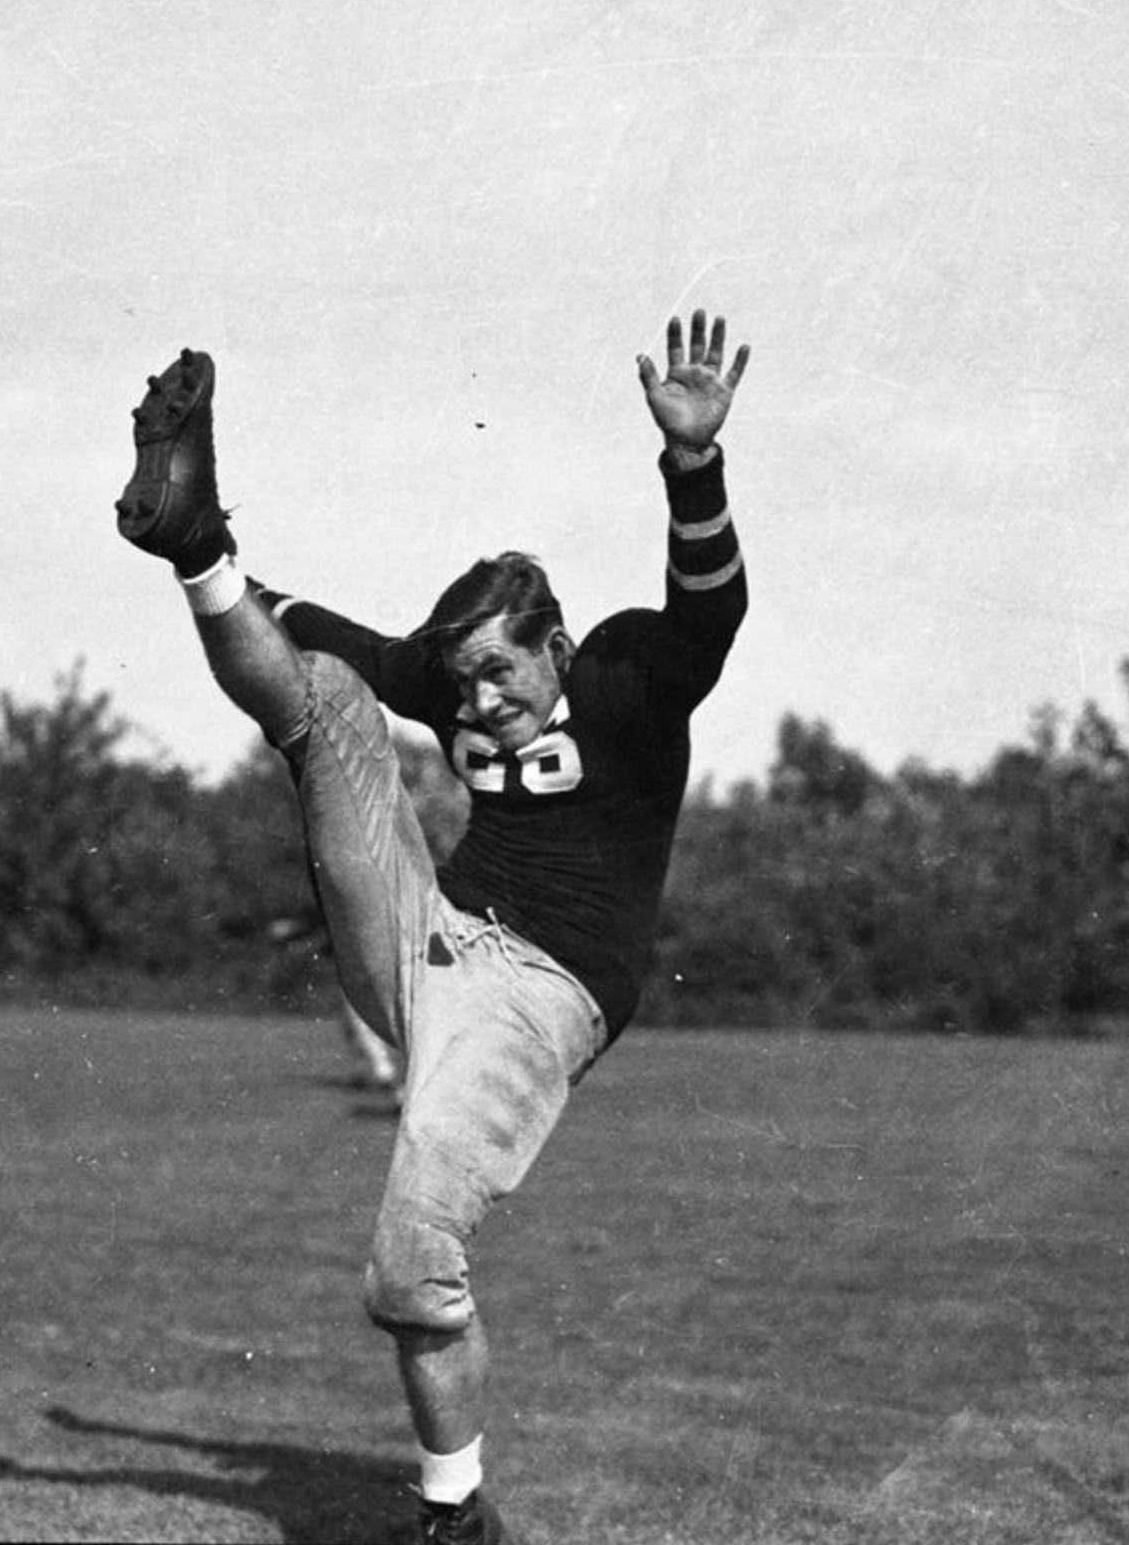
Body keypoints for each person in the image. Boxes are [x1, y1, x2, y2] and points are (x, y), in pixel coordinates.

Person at [115, 309, 750, 1545]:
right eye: (462, 682)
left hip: (540, 993)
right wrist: (226, 573)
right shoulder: (456, 681)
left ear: (558, 649)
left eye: (502, 674)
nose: (480, 700)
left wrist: (693, 464)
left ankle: (457, 1515)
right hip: (429, 932)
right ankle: (197, 541)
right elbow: (325, 636)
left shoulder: (624, 678)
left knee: (410, 1266)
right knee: (332, 700)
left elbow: (707, 612)